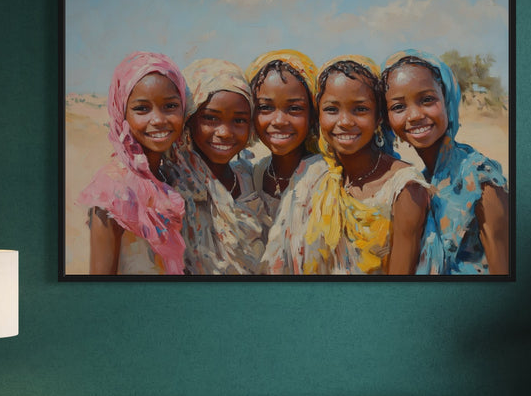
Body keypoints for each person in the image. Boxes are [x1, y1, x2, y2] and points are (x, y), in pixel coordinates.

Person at [265, 54, 430, 275]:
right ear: (318, 116)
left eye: (360, 109)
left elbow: (397, 290)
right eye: (332, 109)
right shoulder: (310, 175)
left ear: (379, 117)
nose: (344, 122)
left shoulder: (405, 187)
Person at [382, 49, 509, 275]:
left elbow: (506, 273)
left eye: (427, 100)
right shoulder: (419, 180)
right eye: (399, 107)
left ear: (448, 99)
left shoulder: (480, 178)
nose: (414, 115)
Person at [77, 51, 188, 275]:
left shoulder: (173, 176)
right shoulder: (112, 191)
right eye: (142, 109)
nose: (158, 120)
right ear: (121, 114)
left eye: (170, 106)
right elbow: (99, 290)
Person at [167, 58, 267, 275]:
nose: (225, 132)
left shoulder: (250, 179)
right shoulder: (173, 185)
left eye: (239, 120)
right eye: (211, 118)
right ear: (189, 119)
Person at [246, 49, 322, 228]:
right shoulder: (253, 176)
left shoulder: (326, 178)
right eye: (265, 107)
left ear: (312, 115)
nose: (279, 121)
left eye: (294, 108)